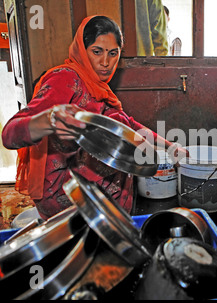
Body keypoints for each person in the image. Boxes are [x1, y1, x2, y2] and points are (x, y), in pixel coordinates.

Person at [1, 15, 187, 220]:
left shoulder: (99, 88)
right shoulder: (64, 79)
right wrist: (46, 121)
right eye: (97, 52)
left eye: (113, 53)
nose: (105, 62)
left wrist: (172, 148)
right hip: (66, 196)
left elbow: (130, 126)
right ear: (82, 48)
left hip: (92, 190)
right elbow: (10, 134)